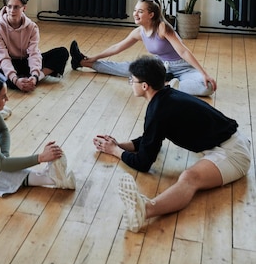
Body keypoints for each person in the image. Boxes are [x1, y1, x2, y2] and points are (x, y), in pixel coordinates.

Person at [92, 55, 251, 233]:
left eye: (132, 80)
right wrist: (118, 145)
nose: (130, 83)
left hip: (233, 154)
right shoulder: (166, 96)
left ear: (144, 86)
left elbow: (144, 163)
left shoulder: (158, 110)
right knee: (188, 173)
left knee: (190, 178)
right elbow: (150, 138)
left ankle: (145, 210)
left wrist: (114, 151)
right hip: (229, 141)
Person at [70, 0, 215, 96]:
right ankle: (82, 62)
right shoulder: (139, 32)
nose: (135, 14)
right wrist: (93, 58)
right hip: (159, 67)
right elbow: (116, 48)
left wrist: (203, 73)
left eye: (140, 11)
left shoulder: (163, 28)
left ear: (151, 14)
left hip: (182, 67)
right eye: (135, 10)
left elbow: (183, 51)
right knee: (124, 68)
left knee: (207, 87)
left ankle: (165, 85)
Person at [0, 0, 69, 93]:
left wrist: (34, 76)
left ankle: (34, 79)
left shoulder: (32, 27)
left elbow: (33, 54)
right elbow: (3, 57)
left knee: (62, 52)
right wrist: (14, 80)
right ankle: (7, 81)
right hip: (5, 64)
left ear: (24, 8)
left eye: (16, 7)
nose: (12, 10)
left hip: (26, 63)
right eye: (9, 6)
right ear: (5, 7)